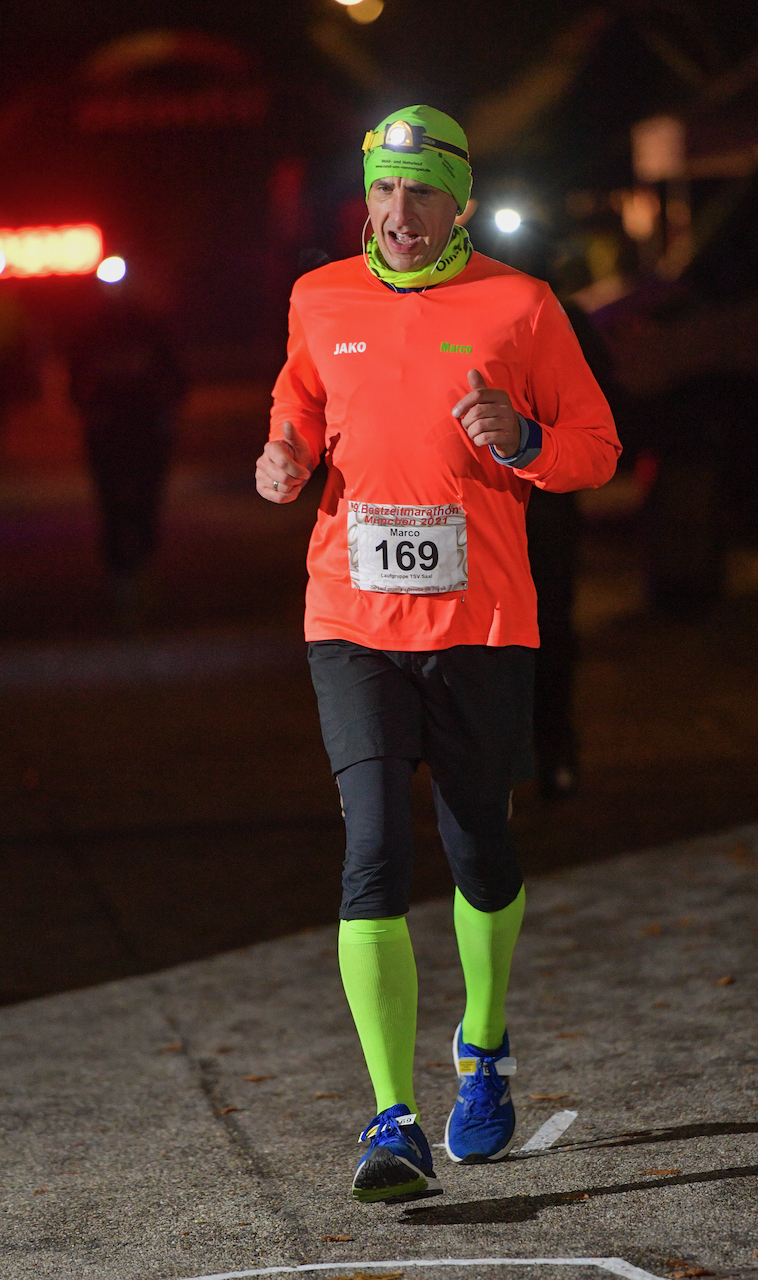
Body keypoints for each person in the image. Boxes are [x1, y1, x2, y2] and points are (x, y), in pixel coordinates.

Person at [255, 105, 620, 1204]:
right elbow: (299, 407)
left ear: (459, 198)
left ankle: (483, 1044)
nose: (399, 214)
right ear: (361, 196)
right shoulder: (319, 297)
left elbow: (594, 448)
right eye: (381, 189)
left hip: (478, 624)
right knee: (370, 852)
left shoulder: (519, 305)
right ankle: (390, 1115)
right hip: (350, 619)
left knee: (478, 854)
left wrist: (520, 440)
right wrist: (280, 458)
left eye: (421, 191)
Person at [67, 283, 186, 622]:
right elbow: (75, 378)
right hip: (107, 431)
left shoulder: (150, 328)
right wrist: (88, 411)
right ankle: (119, 576)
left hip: (145, 430)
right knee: (112, 504)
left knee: (146, 501)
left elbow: (176, 376)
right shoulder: (90, 331)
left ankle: (143, 570)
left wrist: (166, 414)